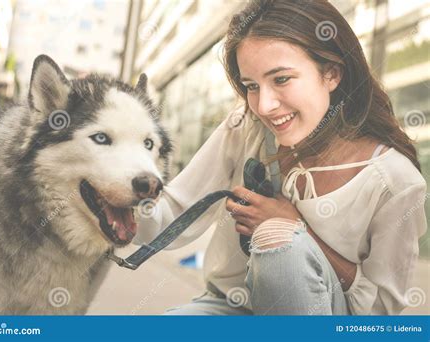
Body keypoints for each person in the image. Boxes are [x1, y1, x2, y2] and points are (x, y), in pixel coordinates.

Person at [134, 0, 427, 315]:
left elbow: (381, 311)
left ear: (331, 73)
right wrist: (107, 195)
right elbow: (171, 212)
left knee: (280, 241)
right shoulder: (246, 126)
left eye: (282, 79)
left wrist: (295, 227)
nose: (264, 106)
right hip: (229, 309)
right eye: (251, 86)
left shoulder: (395, 180)